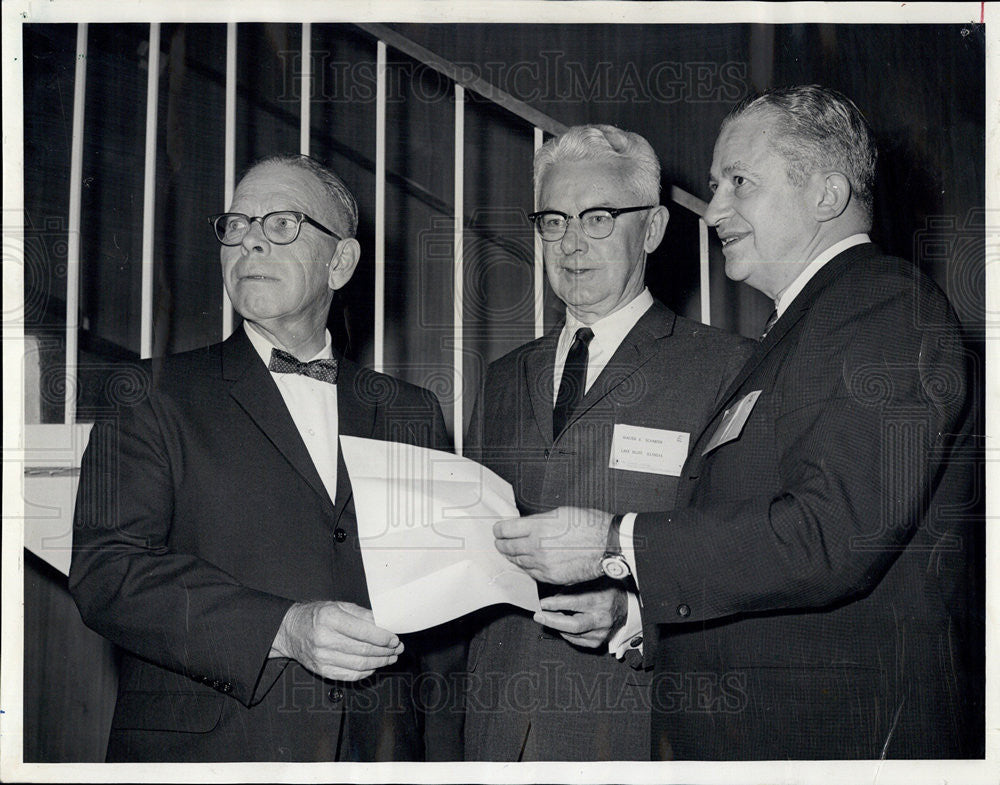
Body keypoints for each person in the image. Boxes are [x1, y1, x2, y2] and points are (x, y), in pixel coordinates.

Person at [492, 86, 982, 759]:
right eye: (718, 184)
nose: (715, 207)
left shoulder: (883, 306)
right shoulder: (801, 329)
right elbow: (756, 555)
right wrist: (629, 613)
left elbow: (830, 537)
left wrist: (613, 538)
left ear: (826, 195)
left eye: (739, 183)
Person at [69, 154, 463, 762]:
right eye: (235, 225)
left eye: (280, 224)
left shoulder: (411, 410)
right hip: (211, 753)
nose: (249, 239)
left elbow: (440, 616)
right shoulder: (147, 395)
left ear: (341, 262)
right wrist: (283, 628)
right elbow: (108, 572)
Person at [463, 125, 751, 761]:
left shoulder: (728, 370)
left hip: (636, 729)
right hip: (496, 734)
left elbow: (752, 559)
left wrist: (632, 613)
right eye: (553, 221)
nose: (569, 244)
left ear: (650, 229)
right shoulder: (504, 377)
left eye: (597, 219)